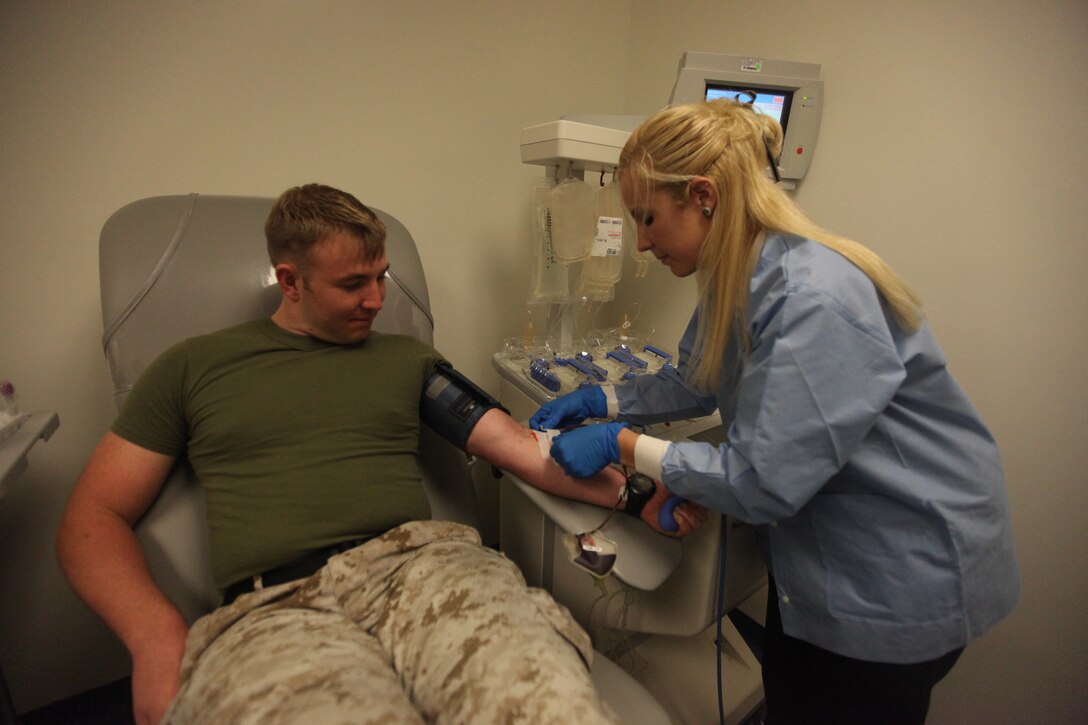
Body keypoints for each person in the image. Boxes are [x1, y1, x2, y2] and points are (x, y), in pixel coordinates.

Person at [56, 184, 704, 725]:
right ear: (290, 280)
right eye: (352, 284)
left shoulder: (408, 358)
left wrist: (637, 494)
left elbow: (520, 448)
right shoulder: (193, 367)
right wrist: (154, 635)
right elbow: (93, 517)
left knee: (546, 704)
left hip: (426, 570)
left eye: (381, 277)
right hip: (276, 611)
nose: (377, 300)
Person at [530, 100, 1020, 724]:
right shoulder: (740, 269)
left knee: (824, 698)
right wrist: (604, 398)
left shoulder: (811, 296)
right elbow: (700, 376)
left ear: (703, 196)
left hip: (898, 565)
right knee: (791, 680)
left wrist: (622, 444)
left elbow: (761, 480)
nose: (643, 242)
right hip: (827, 551)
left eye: (648, 217)